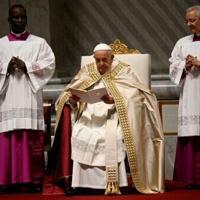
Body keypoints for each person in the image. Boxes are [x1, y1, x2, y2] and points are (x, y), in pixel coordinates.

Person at [47, 42, 164, 195]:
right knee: (80, 132)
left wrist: (115, 99)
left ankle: (112, 183)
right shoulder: (87, 71)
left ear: (112, 57)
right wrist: (73, 100)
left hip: (114, 116)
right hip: (89, 115)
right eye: (98, 60)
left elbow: (137, 96)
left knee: (111, 137)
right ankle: (81, 183)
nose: (101, 64)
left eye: (104, 60)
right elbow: (66, 96)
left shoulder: (124, 71)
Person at [0, 4, 55, 193]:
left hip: (29, 97)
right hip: (7, 98)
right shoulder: (1, 44)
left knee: (28, 136)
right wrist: (5, 68)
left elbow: (49, 64)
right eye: (15, 18)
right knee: (8, 136)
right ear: (9, 20)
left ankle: (31, 179)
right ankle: (6, 180)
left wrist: (27, 66)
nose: (20, 20)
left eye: (22, 17)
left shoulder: (39, 43)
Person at [169, 5, 200, 189]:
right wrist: (185, 65)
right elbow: (172, 66)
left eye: (192, 20)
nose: (188, 24)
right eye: (187, 20)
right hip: (190, 94)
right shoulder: (182, 42)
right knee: (192, 134)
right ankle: (191, 179)